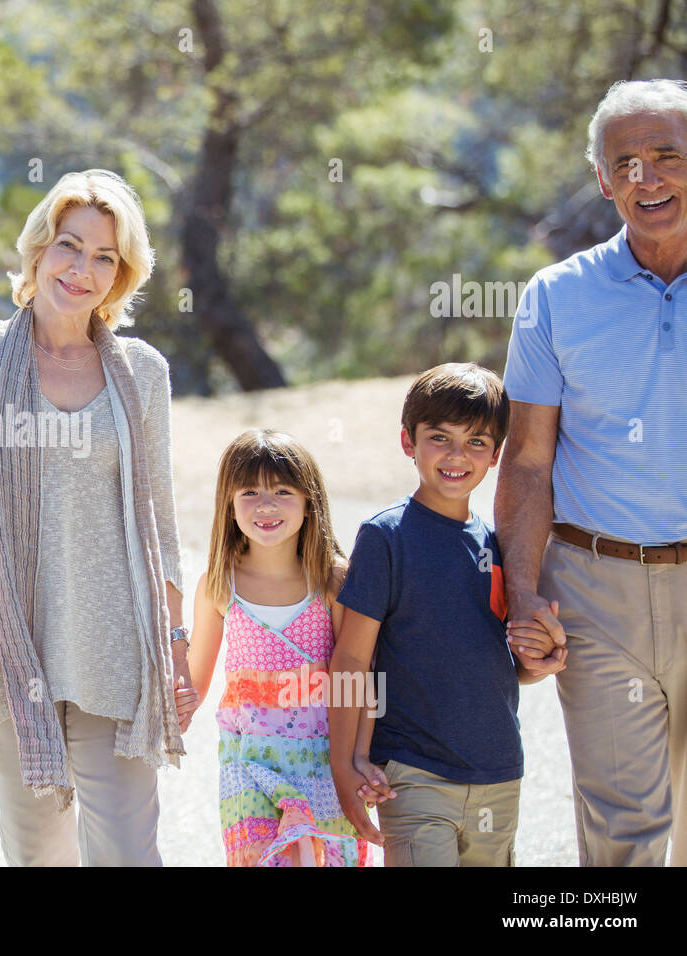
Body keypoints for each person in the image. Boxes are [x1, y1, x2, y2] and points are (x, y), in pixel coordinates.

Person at [0, 169, 188, 867]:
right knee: (39, 859)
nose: (82, 269)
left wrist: (175, 642)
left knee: (127, 852)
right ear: (39, 249)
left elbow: (161, 521)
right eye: (70, 245)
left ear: (122, 275)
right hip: (6, 649)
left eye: (104, 257)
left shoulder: (142, 372)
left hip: (116, 650)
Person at [498, 78, 687, 867]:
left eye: (668, 155)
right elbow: (529, 460)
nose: (648, 178)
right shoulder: (556, 297)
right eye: (627, 163)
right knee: (625, 837)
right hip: (597, 591)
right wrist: (525, 590)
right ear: (604, 181)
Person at [329, 363, 565, 867]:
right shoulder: (385, 537)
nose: (458, 455)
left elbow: (492, 659)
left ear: (497, 455)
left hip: (500, 772)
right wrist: (346, 762)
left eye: (477, 442)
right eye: (440, 437)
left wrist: (535, 664)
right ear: (408, 442)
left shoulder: (498, 546)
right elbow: (351, 658)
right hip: (414, 775)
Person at [177, 428, 377, 866]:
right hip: (248, 763)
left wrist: (360, 754)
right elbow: (196, 678)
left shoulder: (333, 580)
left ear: (310, 502)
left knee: (332, 858)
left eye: (283, 491)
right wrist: (176, 701)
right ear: (228, 505)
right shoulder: (218, 582)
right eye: (249, 492)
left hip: (325, 758)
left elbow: (358, 676)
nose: (265, 506)